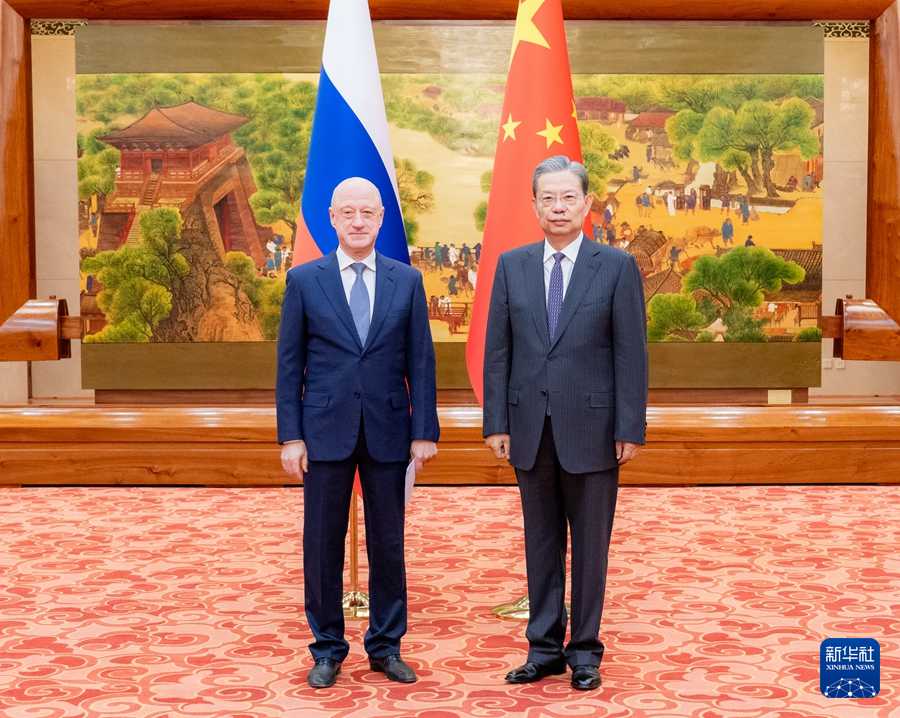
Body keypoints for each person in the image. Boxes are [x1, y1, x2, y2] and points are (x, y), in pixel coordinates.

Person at [482, 155, 648, 692]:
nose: (558, 207)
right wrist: (496, 422)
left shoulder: (616, 266)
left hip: (595, 430)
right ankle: (544, 649)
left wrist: (629, 426)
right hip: (529, 428)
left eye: (568, 197)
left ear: (586, 203)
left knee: (591, 547)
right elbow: (498, 352)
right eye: (548, 198)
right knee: (541, 542)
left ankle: (585, 652)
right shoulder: (512, 265)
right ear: (534, 205)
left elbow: (631, 354)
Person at [276, 177, 439, 689]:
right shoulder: (305, 280)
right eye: (348, 212)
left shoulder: (406, 281)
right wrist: (291, 436)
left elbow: (421, 361)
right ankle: (327, 647)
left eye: (367, 212)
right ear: (332, 218)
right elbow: (289, 366)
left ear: (382, 217)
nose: (358, 221)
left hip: (390, 430)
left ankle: (386, 646)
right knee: (322, 544)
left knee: (388, 543)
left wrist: (424, 430)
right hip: (323, 432)